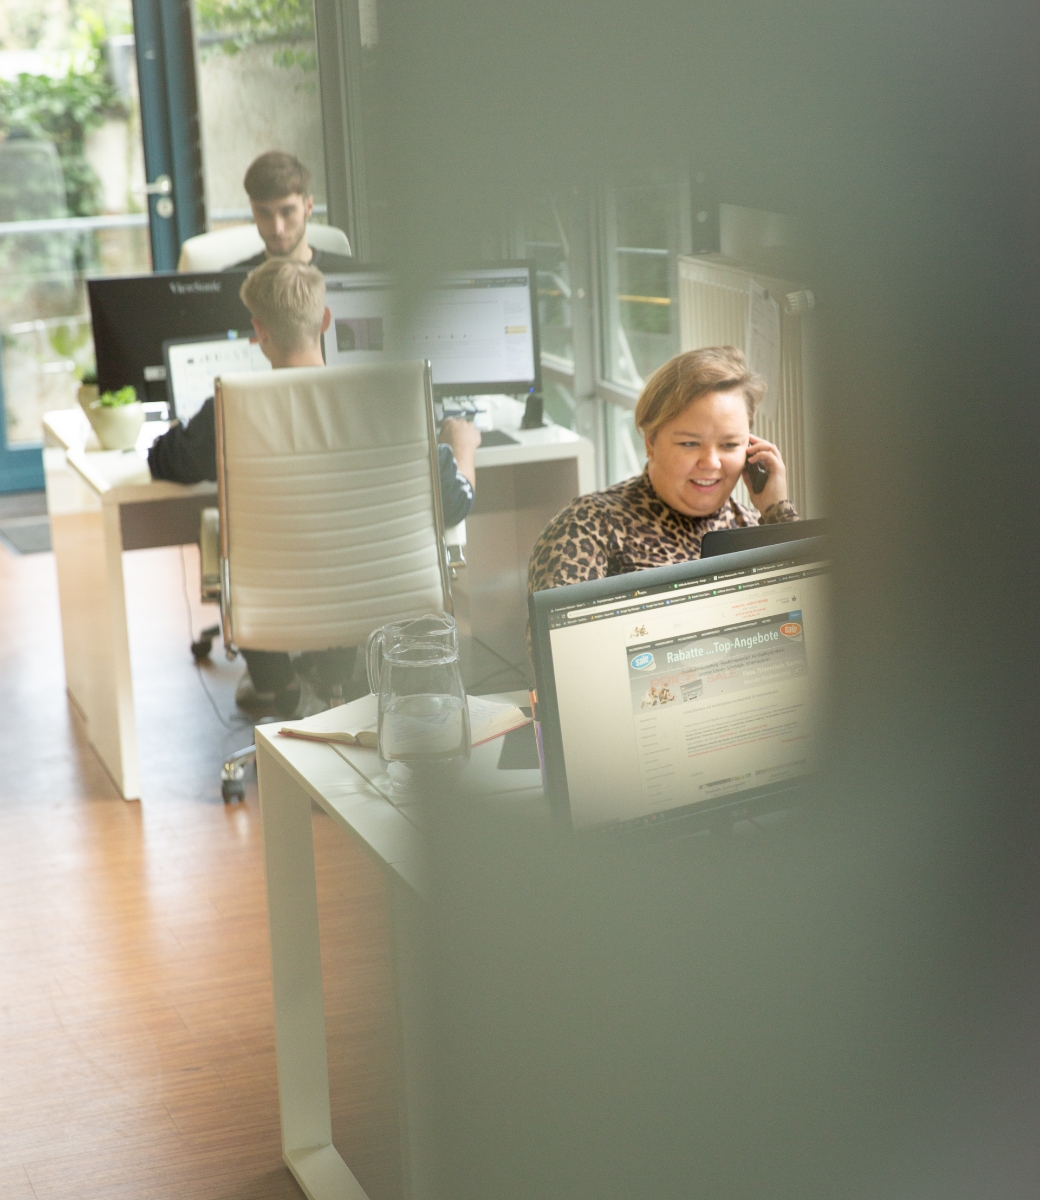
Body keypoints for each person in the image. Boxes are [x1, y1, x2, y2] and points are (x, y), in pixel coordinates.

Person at [149, 258, 481, 717]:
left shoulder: (230, 409)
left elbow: (163, 460)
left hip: (277, 613)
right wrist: (463, 446)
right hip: (379, 605)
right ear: (325, 320)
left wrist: (185, 429)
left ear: (258, 331)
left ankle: (280, 684)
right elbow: (456, 503)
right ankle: (343, 678)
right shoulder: (391, 399)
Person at [527, 346, 798, 594]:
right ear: (650, 443)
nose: (711, 463)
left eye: (730, 444)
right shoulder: (585, 527)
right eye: (690, 443)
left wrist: (778, 512)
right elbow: (560, 632)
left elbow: (810, 614)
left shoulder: (752, 526)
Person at [225, 150, 354, 274]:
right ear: (253, 211)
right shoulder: (230, 282)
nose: (277, 229)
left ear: (308, 207)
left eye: (287, 212)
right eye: (264, 213)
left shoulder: (351, 273)